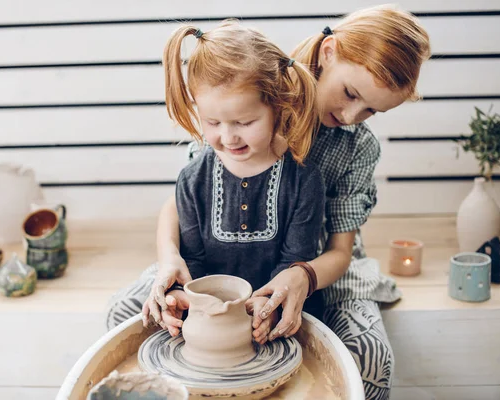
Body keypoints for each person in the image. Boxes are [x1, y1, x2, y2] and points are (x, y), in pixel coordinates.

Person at [106, 5, 430, 400]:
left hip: (319, 265)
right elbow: (184, 198)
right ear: (329, 52)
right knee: (126, 315)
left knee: (371, 358)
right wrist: (170, 258)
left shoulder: (356, 147)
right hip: (215, 255)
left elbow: (340, 252)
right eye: (350, 93)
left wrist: (301, 277)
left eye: (370, 111)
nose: (350, 115)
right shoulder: (252, 89)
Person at [153, 18, 325, 343]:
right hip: (209, 313)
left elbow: (293, 262)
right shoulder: (193, 180)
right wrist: (185, 298)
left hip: (278, 309)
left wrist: (266, 306)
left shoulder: (304, 181)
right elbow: (193, 261)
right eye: (212, 122)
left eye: (244, 121)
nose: (228, 137)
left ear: (279, 106)